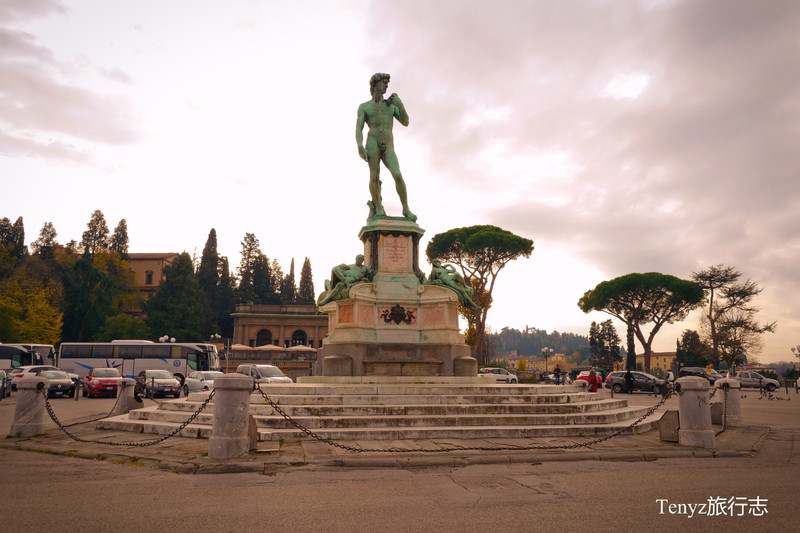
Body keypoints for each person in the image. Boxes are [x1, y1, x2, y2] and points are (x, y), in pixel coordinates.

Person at [356, 73, 416, 221]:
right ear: (375, 84)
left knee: (397, 174)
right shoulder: (365, 107)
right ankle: (378, 208)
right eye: (384, 83)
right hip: (373, 141)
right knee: (374, 176)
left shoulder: (391, 105)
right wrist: (359, 145)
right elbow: (358, 128)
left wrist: (400, 105)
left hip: (388, 144)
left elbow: (405, 122)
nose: (386, 86)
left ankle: (406, 209)